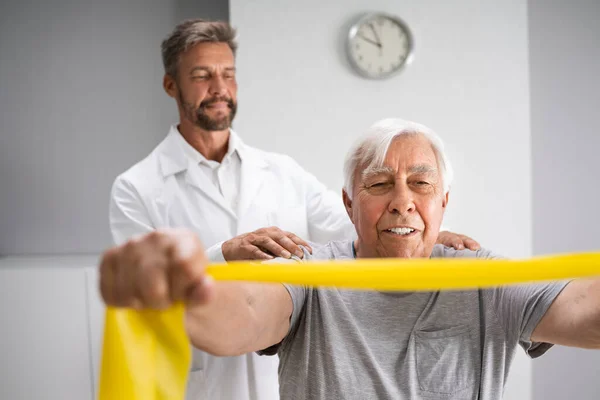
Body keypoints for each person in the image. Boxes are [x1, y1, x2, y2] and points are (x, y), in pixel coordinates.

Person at [109, 19, 479, 400]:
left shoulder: (281, 171)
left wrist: (420, 233)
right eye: (202, 75)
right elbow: (140, 290)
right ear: (171, 84)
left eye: (228, 74)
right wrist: (222, 255)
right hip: (198, 384)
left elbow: (354, 226)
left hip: (279, 380)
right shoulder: (137, 188)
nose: (219, 88)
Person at [102, 118, 600, 400]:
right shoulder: (309, 269)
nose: (402, 200)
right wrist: (188, 286)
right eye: (380, 184)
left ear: (443, 202)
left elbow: (584, 312)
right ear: (348, 204)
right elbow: (245, 315)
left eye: (421, 184)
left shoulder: (486, 277)